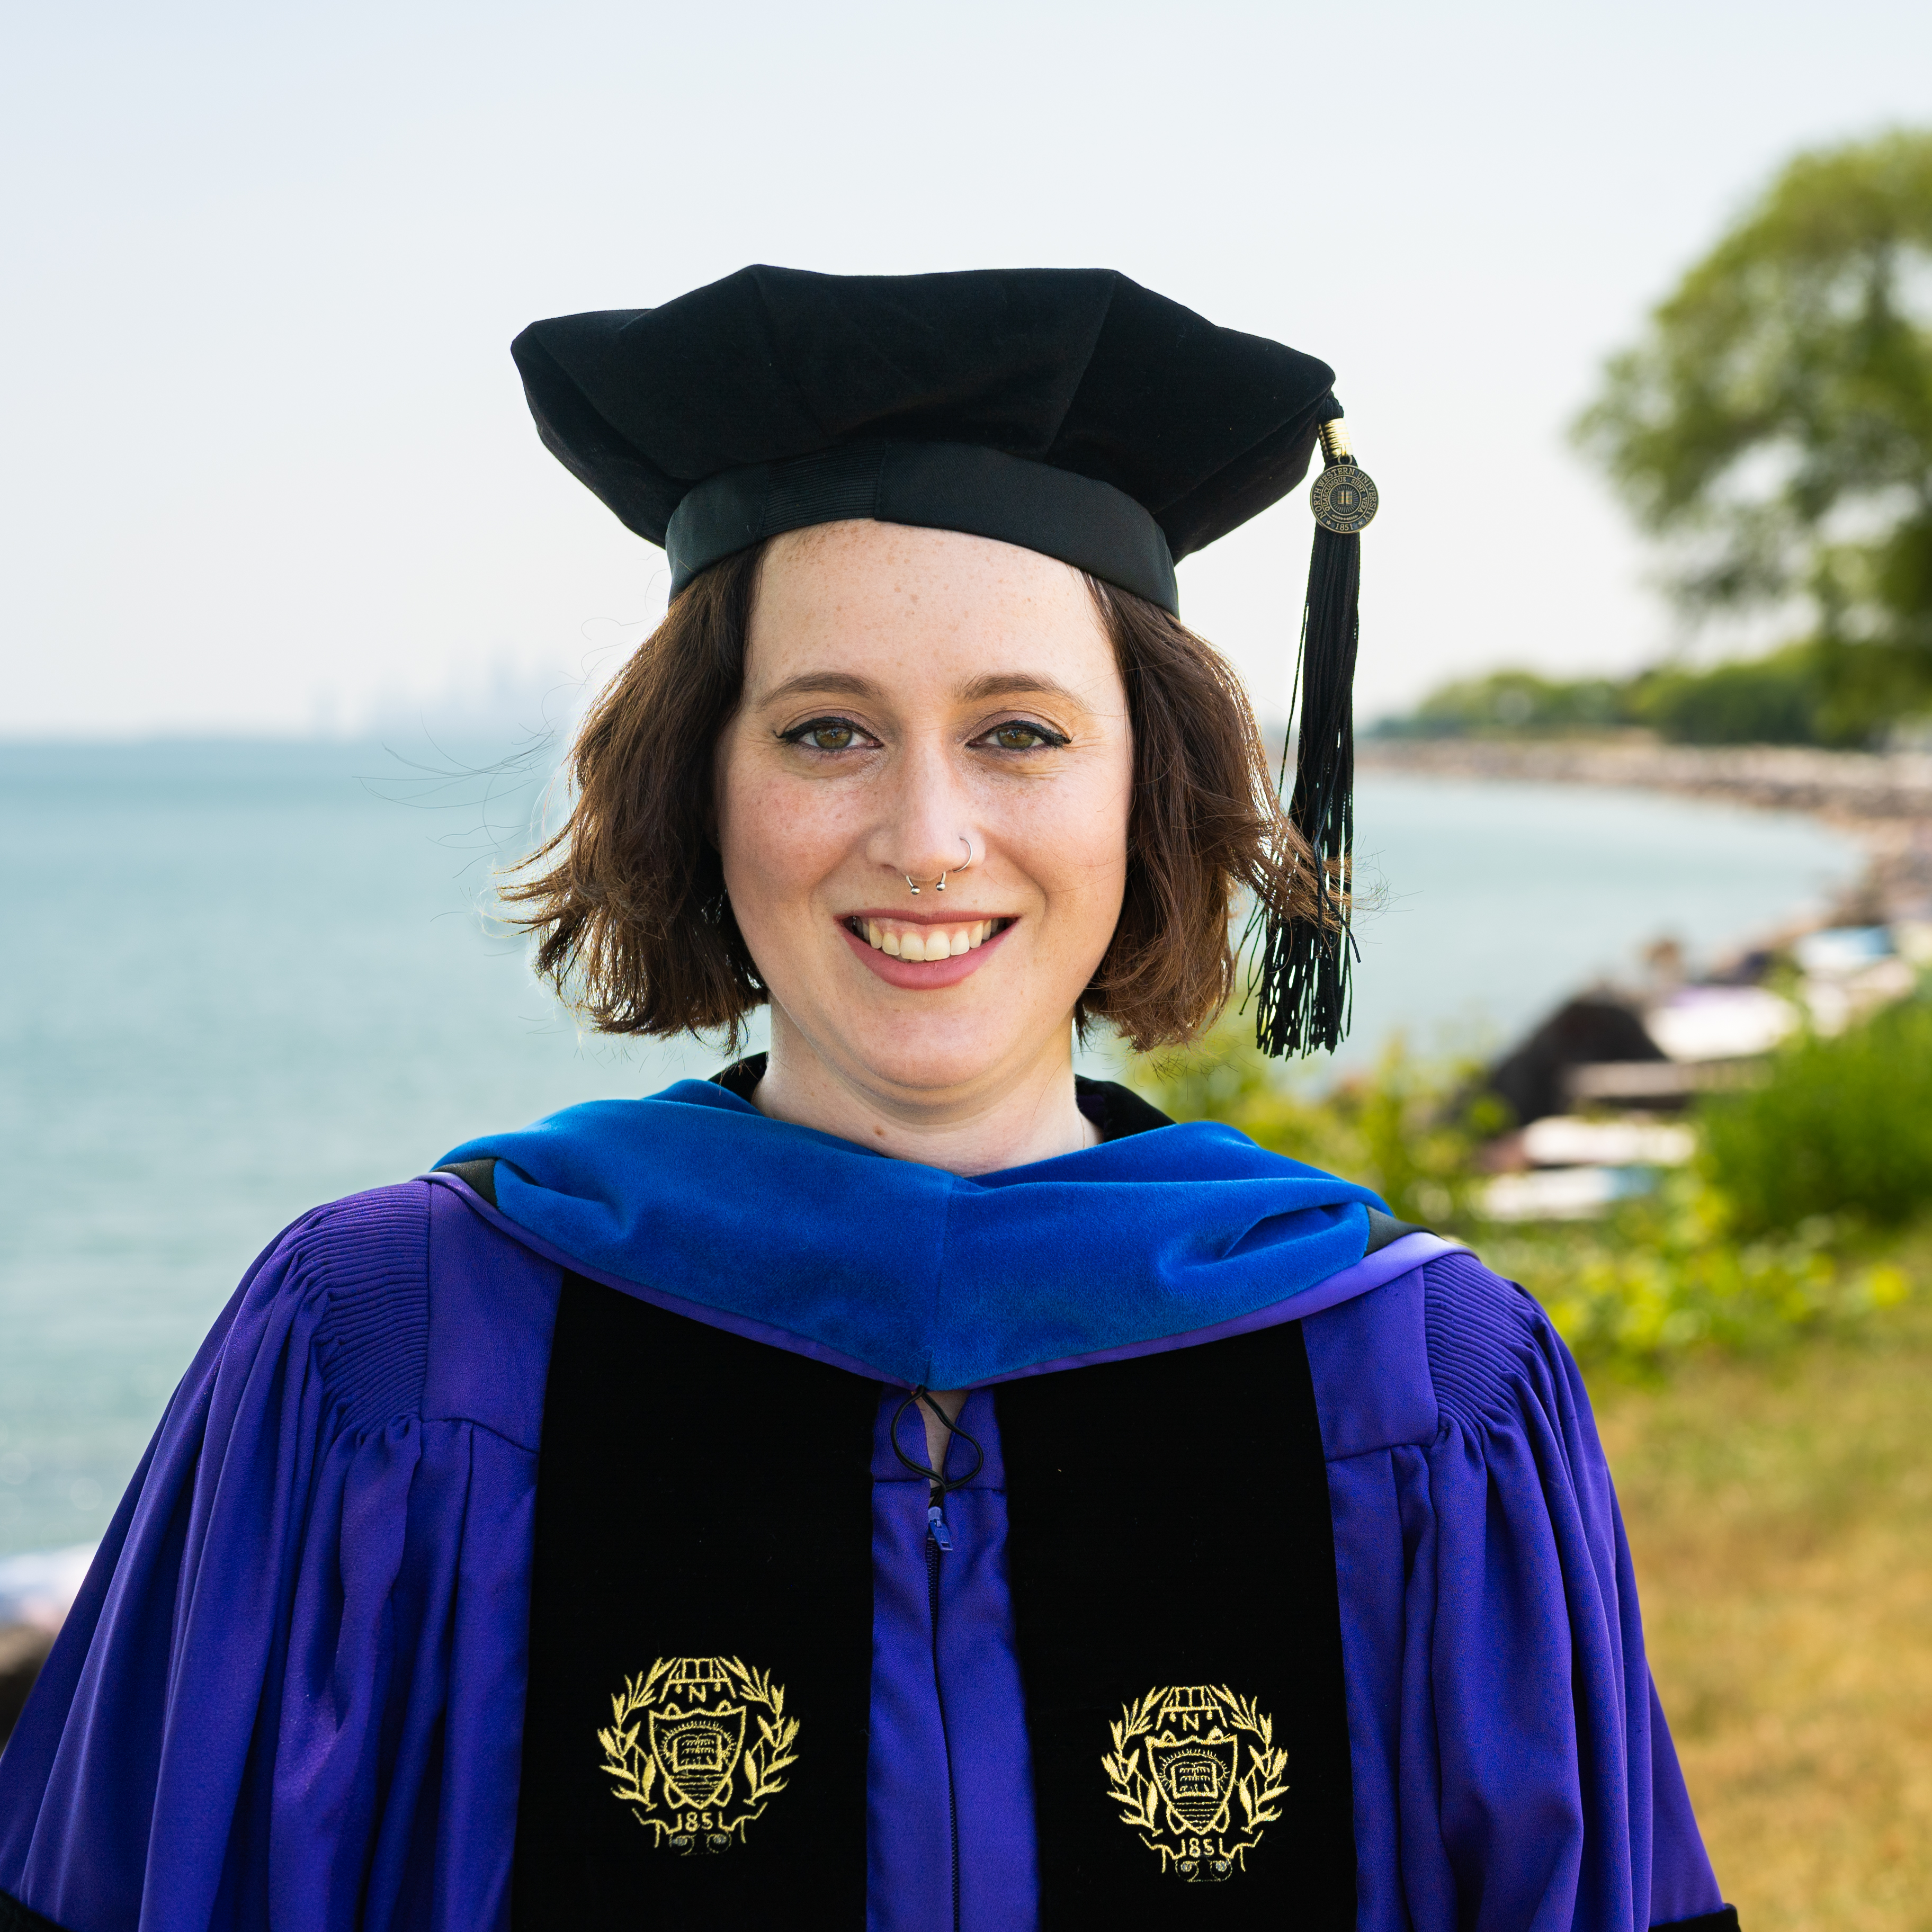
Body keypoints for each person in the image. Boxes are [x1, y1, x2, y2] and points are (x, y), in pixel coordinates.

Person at [0, 267, 1737, 1932]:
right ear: (699, 785)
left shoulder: (1420, 1392)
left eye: (1022, 733)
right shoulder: (390, 1350)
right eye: (827, 730)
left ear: (1152, 790)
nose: (925, 837)